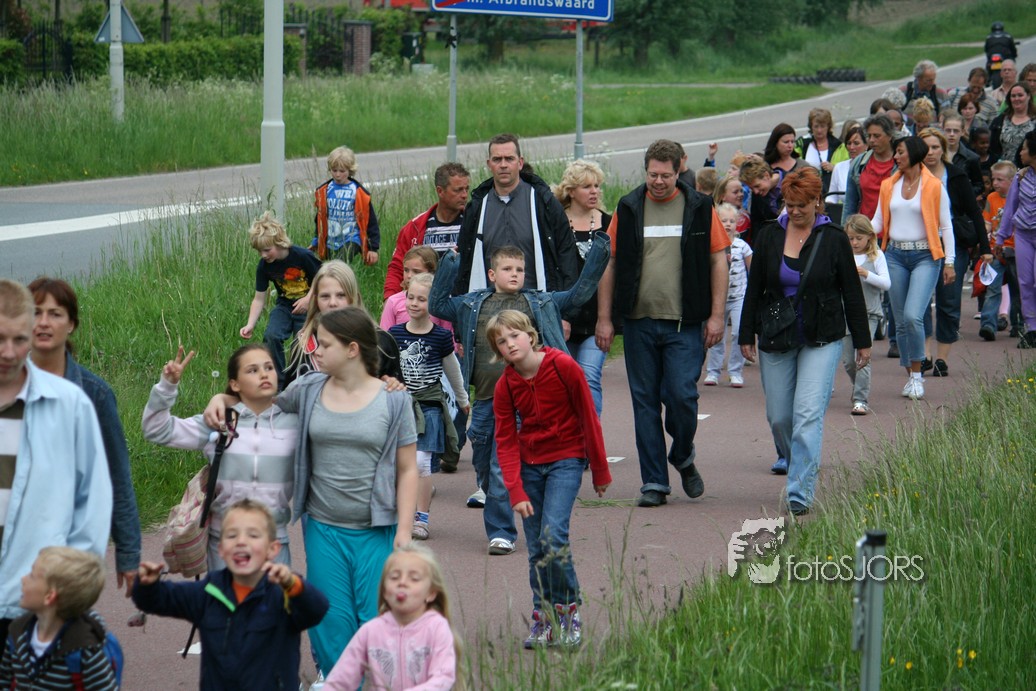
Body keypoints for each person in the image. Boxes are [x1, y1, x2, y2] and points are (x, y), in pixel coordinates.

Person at [205, 307, 418, 679]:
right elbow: (260, 403)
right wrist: (222, 400)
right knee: (330, 619)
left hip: (376, 529)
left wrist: (404, 530)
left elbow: (407, 469)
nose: (315, 351)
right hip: (323, 527)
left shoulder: (395, 400)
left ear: (352, 349)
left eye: (324, 344)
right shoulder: (308, 388)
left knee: (376, 620)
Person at [430, 239, 609, 554]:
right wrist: (449, 264)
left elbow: (579, 295)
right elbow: (437, 305)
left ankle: (501, 532)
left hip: (522, 400)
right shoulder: (471, 304)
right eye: (508, 269)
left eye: (520, 269)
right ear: (491, 274)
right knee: (485, 466)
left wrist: (599, 253)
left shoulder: (540, 302)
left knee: (500, 466)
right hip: (485, 400)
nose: (515, 274)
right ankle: (500, 494)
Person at [596, 139, 730, 508]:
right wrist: (605, 318)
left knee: (682, 397)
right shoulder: (628, 207)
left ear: (678, 171)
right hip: (638, 323)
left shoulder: (700, 207)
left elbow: (718, 260)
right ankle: (654, 482)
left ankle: (682, 454)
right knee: (645, 404)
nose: (658, 181)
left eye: (665, 176)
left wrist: (717, 315)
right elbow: (610, 262)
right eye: (652, 175)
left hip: (685, 323)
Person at [738, 169, 871, 516]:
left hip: (822, 336)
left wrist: (862, 340)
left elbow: (851, 291)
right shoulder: (769, 235)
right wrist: (745, 334)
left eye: (802, 205)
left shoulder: (834, 238)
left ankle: (800, 490)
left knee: (808, 413)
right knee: (780, 416)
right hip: (777, 335)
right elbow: (754, 288)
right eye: (789, 204)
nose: (794, 211)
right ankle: (797, 457)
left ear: (817, 202)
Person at [488, 310, 611, 648]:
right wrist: (515, 491)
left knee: (553, 537)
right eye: (502, 341)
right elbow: (505, 440)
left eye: (515, 335)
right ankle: (543, 616)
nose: (510, 344)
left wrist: (600, 470)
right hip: (529, 467)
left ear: (530, 336)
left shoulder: (563, 366)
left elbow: (588, 416)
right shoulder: (505, 386)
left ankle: (568, 612)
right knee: (537, 550)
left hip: (566, 460)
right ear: (498, 351)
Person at [0, 279, 111, 640]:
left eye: (19, 339)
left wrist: (67, 589)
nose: (9, 352)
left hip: (35, 601)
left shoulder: (71, 404)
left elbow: (94, 503)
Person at [133, 499, 329, 691]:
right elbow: (158, 600)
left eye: (253, 535)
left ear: (273, 549)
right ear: (221, 548)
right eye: (232, 535)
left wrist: (294, 585)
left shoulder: (281, 594)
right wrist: (146, 585)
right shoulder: (209, 592)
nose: (241, 542)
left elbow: (317, 610)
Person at [26, 277, 141, 597]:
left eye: (55, 314)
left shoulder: (95, 395)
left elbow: (117, 475)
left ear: (72, 324)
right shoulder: (8, 387)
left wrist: (128, 554)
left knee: (63, 622)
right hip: (16, 538)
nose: (44, 322)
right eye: (35, 312)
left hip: (71, 542)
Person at [142, 344, 297, 569]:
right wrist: (167, 386)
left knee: (276, 594)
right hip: (225, 543)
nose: (264, 374)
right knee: (221, 594)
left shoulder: (294, 423)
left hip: (274, 542)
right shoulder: (218, 421)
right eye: (252, 370)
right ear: (235, 384)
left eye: (269, 367)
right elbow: (156, 430)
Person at [872, 136, 956, 400]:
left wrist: (950, 261)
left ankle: (918, 376)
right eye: (896, 152)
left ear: (914, 154)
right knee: (899, 320)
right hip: (894, 255)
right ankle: (911, 375)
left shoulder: (934, 185)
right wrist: (853, 233)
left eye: (900, 152)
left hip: (925, 256)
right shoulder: (888, 185)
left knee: (912, 316)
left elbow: (946, 226)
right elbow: (877, 222)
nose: (895, 157)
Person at [388, 273, 469, 541]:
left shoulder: (441, 336)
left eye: (421, 299)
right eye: (410, 297)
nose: (414, 303)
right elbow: (384, 369)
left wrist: (463, 399)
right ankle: (403, 513)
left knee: (422, 463)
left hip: (429, 405)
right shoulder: (395, 334)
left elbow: (453, 370)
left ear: (432, 303)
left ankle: (421, 518)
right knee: (400, 464)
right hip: (401, 406)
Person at [453, 133, 578, 294]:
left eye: (509, 159)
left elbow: (566, 254)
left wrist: (566, 306)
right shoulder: (476, 207)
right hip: (489, 305)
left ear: (520, 163)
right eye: (497, 159)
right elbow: (464, 263)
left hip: (537, 302)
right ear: (489, 164)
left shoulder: (544, 203)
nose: (503, 165)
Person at [323, 544, 456, 690]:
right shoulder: (371, 630)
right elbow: (340, 680)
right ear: (385, 591)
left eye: (414, 578)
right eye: (394, 577)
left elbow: (443, 677)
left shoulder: (437, 627)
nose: (402, 583)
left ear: (431, 593)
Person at [918, 127, 991, 377]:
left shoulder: (956, 175)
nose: (930, 152)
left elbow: (974, 212)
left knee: (948, 300)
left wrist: (985, 248)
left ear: (943, 149)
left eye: (935, 147)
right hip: (921, 244)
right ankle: (925, 353)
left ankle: (942, 357)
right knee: (921, 300)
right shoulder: (911, 176)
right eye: (925, 148)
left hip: (954, 244)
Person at [0, 547, 117, 690]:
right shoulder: (17, 632)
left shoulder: (85, 650)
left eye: (32, 575)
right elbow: (4, 680)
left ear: (49, 596)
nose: (23, 579)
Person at [554, 159, 612, 415]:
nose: (594, 191)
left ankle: (591, 435)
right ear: (571, 191)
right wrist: (561, 316)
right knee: (563, 384)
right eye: (587, 186)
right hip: (562, 319)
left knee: (589, 377)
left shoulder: (609, 223)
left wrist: (606, 319)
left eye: (597, 186)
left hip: (596, 319)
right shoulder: (555, 224)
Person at [240, 211, 322, 391]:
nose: (263, 255)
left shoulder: (302, 255)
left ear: (279, 242)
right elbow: (259, 298)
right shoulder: (264, 266)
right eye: (259, 251)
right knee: (272, 336)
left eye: (267, 250)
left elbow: (322, 276)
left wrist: (309, 298)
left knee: (300, 344)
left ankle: (301, 382)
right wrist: (250, 324)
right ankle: (279, 383)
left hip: (309, 306)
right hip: (285, 306)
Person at [289, 259, 402, 382]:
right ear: (316, 300)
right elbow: (289, 392)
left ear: (354, 298)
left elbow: (398, 389)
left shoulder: (380, 342)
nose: (333, 303)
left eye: (341, 295)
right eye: (325, 296)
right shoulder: (303, 344)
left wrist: (392, 386)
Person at [383, 163, 470, 300]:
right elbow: (397, 267)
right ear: (440, 191)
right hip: (422, 303)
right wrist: (390, 300)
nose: (464, 195)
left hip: (460, 303)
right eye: (458, 190)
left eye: (466, 189)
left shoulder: (473, 224)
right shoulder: (415, 227)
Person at [841, 215, 890, 415]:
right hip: (846, 313)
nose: (854, 243)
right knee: (847, 360)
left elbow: (886, 283)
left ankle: (861, 398)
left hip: (869, 312)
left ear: (869, 236)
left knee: (863, 356)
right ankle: (858, 386)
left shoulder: (876, 256)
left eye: (858, 238)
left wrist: (866, 274)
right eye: (850, 238)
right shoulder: (843, 255)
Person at [704, 203, 753, 388]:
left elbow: (753, 269)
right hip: (718, 298)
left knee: (739, 332)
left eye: (732, 221)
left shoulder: (742, 246)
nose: (728, 224)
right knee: (716, 334)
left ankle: (735, 372)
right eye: (724, 220)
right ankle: (713, 371)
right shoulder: (713, 245)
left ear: (737, 223)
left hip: (739, 297)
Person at [995, 131, 1036, 348]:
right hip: (1023, 235)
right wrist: (1000, 239)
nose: (1021, 152)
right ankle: (1032, 328)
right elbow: (1010, 209)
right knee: (1025, 282)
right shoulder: (1020, 177)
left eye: (1025, 148)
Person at [312, 145, 380, 265]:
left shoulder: (359, 193)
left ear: (350, 170)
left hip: (352, 239)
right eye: (334, 170)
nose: (338, 175)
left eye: (342, 171)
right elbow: (320, 219)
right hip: (331, 239)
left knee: (338, 265)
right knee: (328, 268)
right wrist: (316, 241)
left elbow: (370, 221)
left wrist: (373, 248)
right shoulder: (324, 191)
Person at [980, 161, 1020, 340]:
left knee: (1018, 290)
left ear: (1012, 181)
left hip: (1016, 250)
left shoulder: (1020, 197)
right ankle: (988, 324)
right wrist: (983, 238)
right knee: (993, 288)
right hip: (996, 250)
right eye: (993, 179)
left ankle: (1018, 324)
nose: (995, 183)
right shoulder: (991, 198)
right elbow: (987, 222)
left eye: (1000, 180)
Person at [794, 108, 841, 196]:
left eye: (822, 126)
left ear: (828, 127)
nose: (819, 130)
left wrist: (834, 168)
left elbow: (846, 170)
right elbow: (793, 165)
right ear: (811, 127)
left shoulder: (839, 146)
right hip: (806, 193)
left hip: (831, 194)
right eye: (816, 126)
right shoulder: (801, 144)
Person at [740, 157, 784, 244]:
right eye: (751, 188)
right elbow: (756, 224)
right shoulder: (757, 195)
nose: (755, 191)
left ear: (766, 175)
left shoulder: (791, 181)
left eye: (757, 186)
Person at [989, 83, 1036, 165]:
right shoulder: (999, 121)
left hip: (1029, 169)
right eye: (1013, 96)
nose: (1016, 99)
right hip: (1002, 168)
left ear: (1028, 96)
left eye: (1020, 95)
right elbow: (991, 147)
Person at [941, 114, 984, 197]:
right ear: (943, 130)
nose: (952, 134)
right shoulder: (936, 154)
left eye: (956, 131)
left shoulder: (972, 158)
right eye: (948, 130)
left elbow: (979, 185)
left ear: (962, 132)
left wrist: (965, 196)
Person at [985, 22, 1018, 89]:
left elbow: (986, 49)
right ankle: (1012, 76)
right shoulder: (1008, 36)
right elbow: (1012, 48)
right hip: (1005, 56)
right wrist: (1014, 55)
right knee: (1011, 63)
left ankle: (987, 80)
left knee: (988, 64)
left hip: (992, 57)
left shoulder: (989, 37)